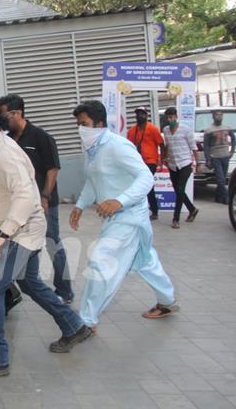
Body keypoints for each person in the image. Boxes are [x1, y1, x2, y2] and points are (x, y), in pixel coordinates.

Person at [0, 99, 91, 380]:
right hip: (13, 232)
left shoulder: (6, 153)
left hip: (19, 233)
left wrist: (2, 234)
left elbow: (26, 198)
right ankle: (74, 325)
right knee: (30, 283)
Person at [70, 101, 178, 331]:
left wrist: (119, 200)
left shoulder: (118, 146)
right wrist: (80, 205)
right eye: (78, 125)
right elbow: (93, 179)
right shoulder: (93, 148)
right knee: (147, 260)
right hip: (118, 217)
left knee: (100, 261)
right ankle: (167, 302)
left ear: (99, 123)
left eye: (84, 124)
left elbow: (146, 178)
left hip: (129, 215)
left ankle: (86, 320)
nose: (81, 129)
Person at [0, 93, 74, 304]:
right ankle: (25, 282)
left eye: (5, 115)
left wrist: (45, 197)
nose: (3, 120)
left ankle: (64, 290)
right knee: (23, 244)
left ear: (18, 113)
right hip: (21, 204)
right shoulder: (9, 139)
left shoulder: (41, 137)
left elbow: (53, 169)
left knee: (52, 243)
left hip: (43, 202)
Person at [162, 107, 199, 229]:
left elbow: (193, 147)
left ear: (176, 117)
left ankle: (175, 219)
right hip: (173, 164)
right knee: (178, 190)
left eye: (171, 117)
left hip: (185, 163)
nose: (170, 119)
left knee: (180, 188)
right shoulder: (166, 130)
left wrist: (196, 163)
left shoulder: (185, 130)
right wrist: (164, 159)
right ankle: (192, 209)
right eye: (168, 117)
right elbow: (167, 146)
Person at [126, 106, 164, 219]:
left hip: (151, 161)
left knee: (147, 185)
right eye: (138, 114)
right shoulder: (132, 131)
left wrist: (161, 160)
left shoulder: (152, 129)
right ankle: (145, 209)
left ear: (146, 116)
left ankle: (154, 210)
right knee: (141, 186)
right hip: (138, 162)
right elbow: (129, 146)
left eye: (142, 114)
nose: (139, 116)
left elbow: (162, 144)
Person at [203, 110, 235, 204]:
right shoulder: (209, 130)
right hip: (215, 157)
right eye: (217, 115)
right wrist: (208, 159)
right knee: (220, 179)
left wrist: (232, 151)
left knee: (223, 179)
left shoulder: (227, 127)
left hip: (225, 156)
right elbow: (206, 145)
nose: (219, 117)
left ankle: (218, 197)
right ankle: (227, 198)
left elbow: (233, 138)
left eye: (221, 115)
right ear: (213, 116)